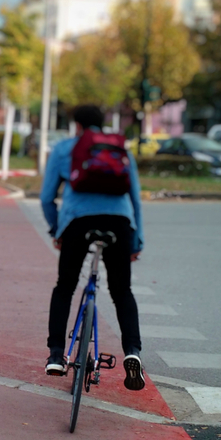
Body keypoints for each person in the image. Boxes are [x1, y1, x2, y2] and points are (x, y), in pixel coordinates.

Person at [40, 103, 145, 391]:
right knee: (121, 290)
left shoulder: (64, 149)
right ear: (102, 122)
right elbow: (135, 199)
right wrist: (137, 239)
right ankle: (133, 352)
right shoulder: (119, 148)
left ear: (76, 124)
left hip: (78, 224)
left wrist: (56, 229)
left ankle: (56, 355)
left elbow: (47, 197)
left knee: (65, 287)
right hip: (119, 223)